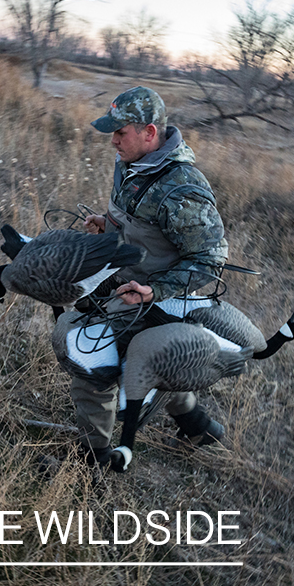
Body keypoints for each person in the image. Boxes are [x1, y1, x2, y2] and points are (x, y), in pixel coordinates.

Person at [67, 85, 230, 467]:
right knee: (151, 362)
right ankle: (197, 424)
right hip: (122, 283)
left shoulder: (182, 187)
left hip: (157, 299)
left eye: (120, 133)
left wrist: (154, 290)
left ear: (149, 133)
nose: (113, 141)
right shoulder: (131, 163)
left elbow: (210, 260)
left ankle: (93, 461)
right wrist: (108, 224)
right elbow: (141, 224)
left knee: (91, 360)